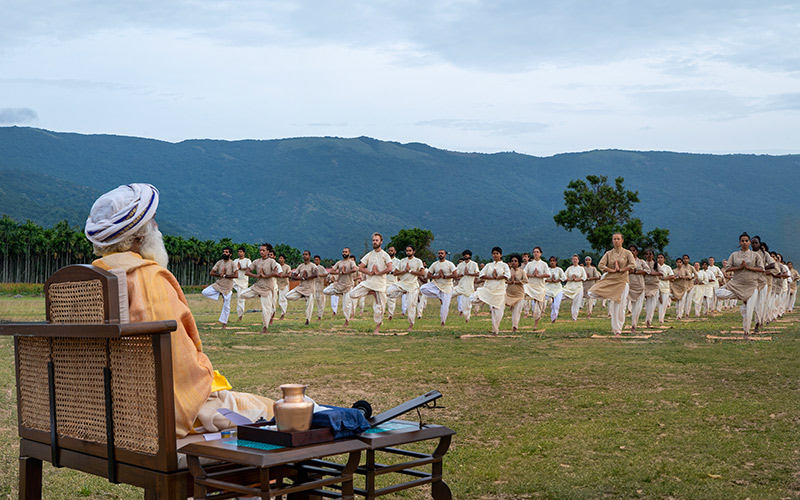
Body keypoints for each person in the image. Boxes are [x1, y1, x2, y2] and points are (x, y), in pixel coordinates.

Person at [85, 183, 273, 437]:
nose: (157, 228)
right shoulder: (148, 279)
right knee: (288, 411)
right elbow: (181, 368)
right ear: (140, 237)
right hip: (161, 414)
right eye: (153, 222)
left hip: (107, 415)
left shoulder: (88, 280)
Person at [716, 232, 764, 337]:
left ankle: (746, 332)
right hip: (736, 284)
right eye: (742, 241)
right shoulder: (734, 255)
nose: (744, 243)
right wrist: (739, 268)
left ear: (749, 242)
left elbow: (761, 269)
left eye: (746, 241)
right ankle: (739, 295)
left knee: (749, 309)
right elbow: (727, 268)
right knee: (718, 293)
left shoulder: (755, 255)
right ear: (739, 242)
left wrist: (749, 268)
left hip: (751, 284)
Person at [588, 233, 635, 336]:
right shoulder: (609, 253)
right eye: (614, 239)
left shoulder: (627, 253)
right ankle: (607, 295)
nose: (616, 241)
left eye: (618, 239)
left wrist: (621, 270)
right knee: (591, 292)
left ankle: (618, 330)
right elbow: (601, 265)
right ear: (612, 241)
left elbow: (632, 265)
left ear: (622, 240)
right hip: (610, 280)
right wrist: (612, 270)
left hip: (622, 281)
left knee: (620, 306)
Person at [346, 232, 393, 334]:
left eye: (376, 240)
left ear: (381, 241)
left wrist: (379, 273)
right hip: (369, 282)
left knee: (380, 308)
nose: (374, 242)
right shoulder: (369, 254)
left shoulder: (385, 255)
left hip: (380, 284)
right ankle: (372, 292)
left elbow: (390, 268)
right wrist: (370, 272)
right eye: (373, 240)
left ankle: (377, 328)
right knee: (352, 294)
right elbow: (361, 267)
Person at [239, 243, 281, 332]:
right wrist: (256, 276)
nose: (261, 252)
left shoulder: (272, 261)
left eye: (263, 250)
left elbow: (276, 272)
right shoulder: (256, 261)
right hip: (257, 286)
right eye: (260, 250)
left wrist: (265, 276)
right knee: (241, 294)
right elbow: (247, 272)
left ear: (268, 251)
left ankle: (265, 327)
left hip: (267, 288)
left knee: (266, 309)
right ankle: (258, 294)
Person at [468, 247, 510, 334]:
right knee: (472, 297)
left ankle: (495, 329)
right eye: (494, 253)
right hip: (488, 288)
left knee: (498, 310)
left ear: (500, 255)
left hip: (499, 290)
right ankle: (483, 301)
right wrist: (491, 277)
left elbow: (507, 275)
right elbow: (481, 275)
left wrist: (497, 277)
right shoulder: (488, 265)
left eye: (497, 253)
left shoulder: (504, 265)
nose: (495, 255)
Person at [386, 245, 426, 332]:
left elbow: (422, 273)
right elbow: (395, 273)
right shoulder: (402, 261)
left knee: (411, 306)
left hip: (412, 286)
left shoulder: (418, 261)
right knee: (387, 291)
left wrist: (410, 271)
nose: (408, 252)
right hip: (402, 284)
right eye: (407, 251)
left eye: (410, 251)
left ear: (413, 252)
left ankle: (411, 324)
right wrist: (404, 271)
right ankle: (401, 293)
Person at [420, 249, 457, 326]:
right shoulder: (435, 264)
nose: (440, 254)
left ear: (445, 255)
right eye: (439, 253)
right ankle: (439, 295)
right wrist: (436, 276)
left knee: (445, 306)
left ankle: (442, 322)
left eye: (442, 253)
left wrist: (445, 277)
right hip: (436, 284)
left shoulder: (449, 264)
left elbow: (455, 275)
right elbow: (428, 275)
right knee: (423, 288)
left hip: (447, 286)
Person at [202, 246, 237, 328]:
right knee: (205, 292)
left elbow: (236, 275)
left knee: (226, 305)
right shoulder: (219, 262)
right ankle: (219, 294)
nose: (224, 253)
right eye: (224, 252)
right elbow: (212, 272)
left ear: (230, 254)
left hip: (228, 287)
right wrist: (219, 275)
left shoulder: (232, 263)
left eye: (227, 252)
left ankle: (224, 323)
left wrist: (225, 275)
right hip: (218, 284)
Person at [324, 247, 358, 325]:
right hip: (339, 285)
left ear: (349, 253)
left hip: (348, 286)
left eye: (346, 252)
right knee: (325, 291)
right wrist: (339, 273)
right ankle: (340, 293)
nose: (344, 253)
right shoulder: (339, 263)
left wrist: (345, 272)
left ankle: (347, 320)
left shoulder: (351, 262)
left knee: (346, 306)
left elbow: (354, 269)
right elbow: (332, 271)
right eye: (343, 252)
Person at [286, 250, 317, 325]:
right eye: (303, 254)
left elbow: (316, 274)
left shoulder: (313, 265)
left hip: (310, 288)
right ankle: (301, 295)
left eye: (306, 254)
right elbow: (293, 276)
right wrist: (302, 278)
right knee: (287, 296)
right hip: (301, 287)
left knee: (309, 306)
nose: (304, 256)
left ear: (309, 256)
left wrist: (307, 277)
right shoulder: (301, 266)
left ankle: (307, 320)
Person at [523, 246, 549, 330]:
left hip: (540, 287)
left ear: (540, 253)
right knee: (522, 293)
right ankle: (523, 312)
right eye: (534, 252)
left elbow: (548, 274)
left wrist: (539, 276)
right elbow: (524, 273)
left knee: (538, 307)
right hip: (530, 286)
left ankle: (536, 324)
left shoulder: (544, 264)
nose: (536, 253)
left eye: (537, 252)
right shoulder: (529, 264)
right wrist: (532, 275)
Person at [627, 245, 649, 332]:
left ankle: (634, 325)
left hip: (639, 286)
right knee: (624, 306)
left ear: (637, 252)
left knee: (638, 307)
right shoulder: (626, 262)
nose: (632, 252)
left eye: (634, 250)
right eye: (630, 250)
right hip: (628, 286)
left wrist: (636, 271)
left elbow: (647, 271)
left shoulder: (641, 262)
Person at [452, 250, 480, 320]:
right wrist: (462, 274)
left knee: (467, 304)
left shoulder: (474, 264)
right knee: (449, 294)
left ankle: (467, 318)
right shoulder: (460, 265)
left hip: (469, 287)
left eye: (467, 255)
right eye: (464, 255)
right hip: (460, 286)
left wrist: (469, 274)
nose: (466, 256)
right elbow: (456, 275)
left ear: (470, 256)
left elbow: (477, 274)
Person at [505, 253, 528, 332]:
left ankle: (515, 326)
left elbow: (525, 281)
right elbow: (504, 280)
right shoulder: (508, 271)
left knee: (517, 311)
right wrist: (510, 281)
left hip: (519, 293)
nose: (514, 262)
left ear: (518, 263)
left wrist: (516, 281)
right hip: (509, 293)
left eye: (515, 261)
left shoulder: (521, 272)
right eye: (512, 261)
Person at [563, 254, 586, 321]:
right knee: (560, 296)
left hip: (578, 287)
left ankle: (574, 317)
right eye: (573, 259)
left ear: (578, 260)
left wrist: (577, 279)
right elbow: (564, 277)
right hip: (569, 286)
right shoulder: (569, 268)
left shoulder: (581, 268)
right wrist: (570, 279)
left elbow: (584, 277)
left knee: (576, 303)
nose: (575, 260)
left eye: (576, 259)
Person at [232, 247, 252, 321]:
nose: (239, 253)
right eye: (238, 251)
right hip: (235, 280)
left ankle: (240, 316)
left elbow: (250, 269)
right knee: (237, 297)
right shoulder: (235, 260)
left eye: (241, 251)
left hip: (243, 281)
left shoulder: (247, 260)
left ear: (244, 253)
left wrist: (241, 268)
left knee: (241, 298)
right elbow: (233, 268)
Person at [642, 249, 660, 328]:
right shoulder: (643, 263)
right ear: (645, 255)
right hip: (645, 285)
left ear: (653, 255)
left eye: (650, 254)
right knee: (647, 304)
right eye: (647, 254)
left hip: (654, 286)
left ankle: (649, 320)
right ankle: (647, 319)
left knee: (652, 305)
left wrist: (651, 273)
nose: (649, 255)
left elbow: (661, 273)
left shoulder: (656, 264)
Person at [655, 253, 674, 324]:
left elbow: (672, 276)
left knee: (664, 304)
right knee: (658, 303)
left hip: (665, 288)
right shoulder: (654, 266)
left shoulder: (667, 267)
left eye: (661, 257)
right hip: (656, 287)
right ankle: (658, 318)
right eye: (658, 257)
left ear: (664, 259)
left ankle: (661, 319)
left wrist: (664, 278)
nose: (660, 259)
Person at [312, 255, 329, 320]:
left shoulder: (321, 268)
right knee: (311, 300)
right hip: (313, 285)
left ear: (319, 261)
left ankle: (320, 316)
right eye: (315, 260)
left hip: (320, 286)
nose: (316, 261)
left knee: (320, 302)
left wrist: (319, 275)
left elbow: (326, 274)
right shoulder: (312, 267)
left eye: (317, 260)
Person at [275, 255, 291, 320]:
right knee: (275, 298)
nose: (280, 259)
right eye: (279, 258)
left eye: (281, 258)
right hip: (277, 284)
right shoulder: (277, 266)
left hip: (284, 284)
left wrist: (281, 276)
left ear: (284, 259)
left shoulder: (287, 267)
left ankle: (283, 313)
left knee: (283, 299)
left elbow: (289, 274)